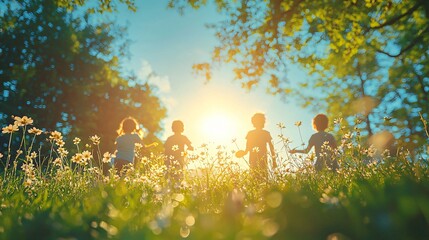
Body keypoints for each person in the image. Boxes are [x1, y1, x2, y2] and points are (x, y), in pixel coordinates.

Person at [236, 113, 276, 180]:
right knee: (254, 178)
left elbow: (271, 147)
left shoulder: (266, 133)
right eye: (256, 121)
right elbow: (247, 147)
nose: (258, 122)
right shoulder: (250, 133)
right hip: (253, 159)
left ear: (263, 122)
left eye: (260, 120)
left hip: (263, 159)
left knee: (264, 178)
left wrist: (274, 161)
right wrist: (243, 153)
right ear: (253, 122)